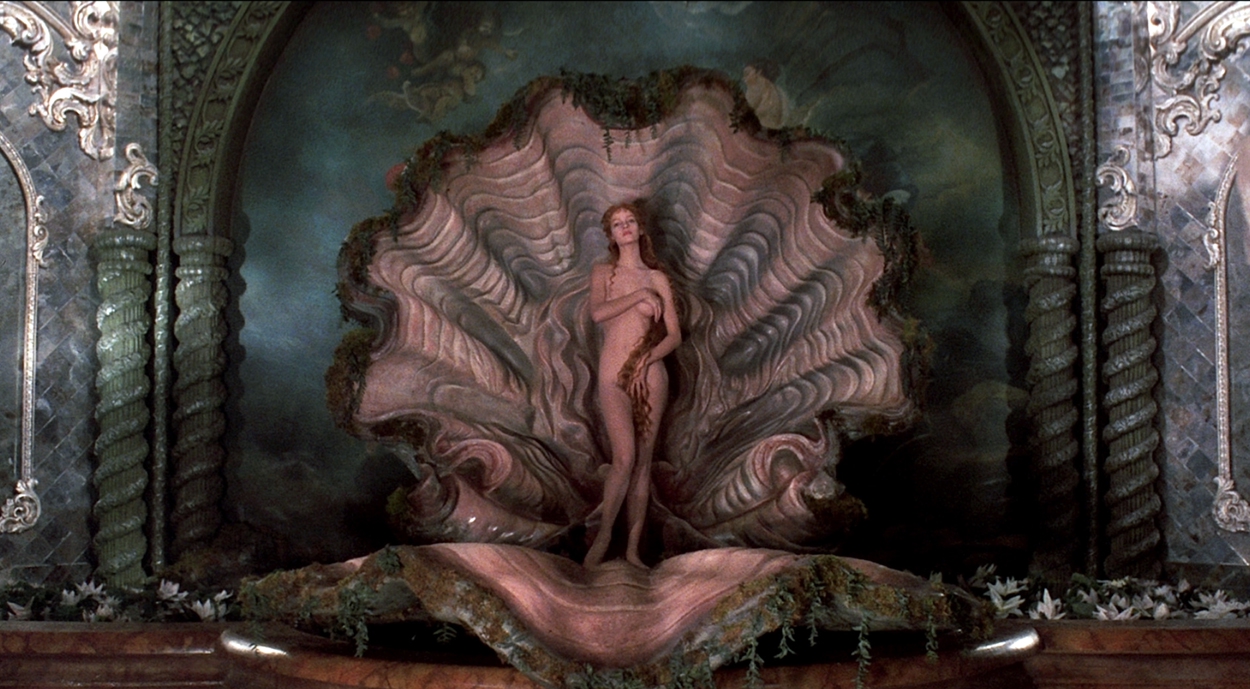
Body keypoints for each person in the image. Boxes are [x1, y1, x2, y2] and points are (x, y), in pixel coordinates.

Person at [584, 202, 681, 569]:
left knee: (642, 462)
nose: (624, 227)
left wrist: (647, 359)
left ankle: (633, 550)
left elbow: (674, 336)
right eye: (617, 223)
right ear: (611, 235)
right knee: (623, 459)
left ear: (640, 229)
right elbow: (598, 313)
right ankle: (604, 536)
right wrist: (639, 296)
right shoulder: (603, 273)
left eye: (630, 221)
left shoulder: (657, 278)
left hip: (650, 375)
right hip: (612, 375)